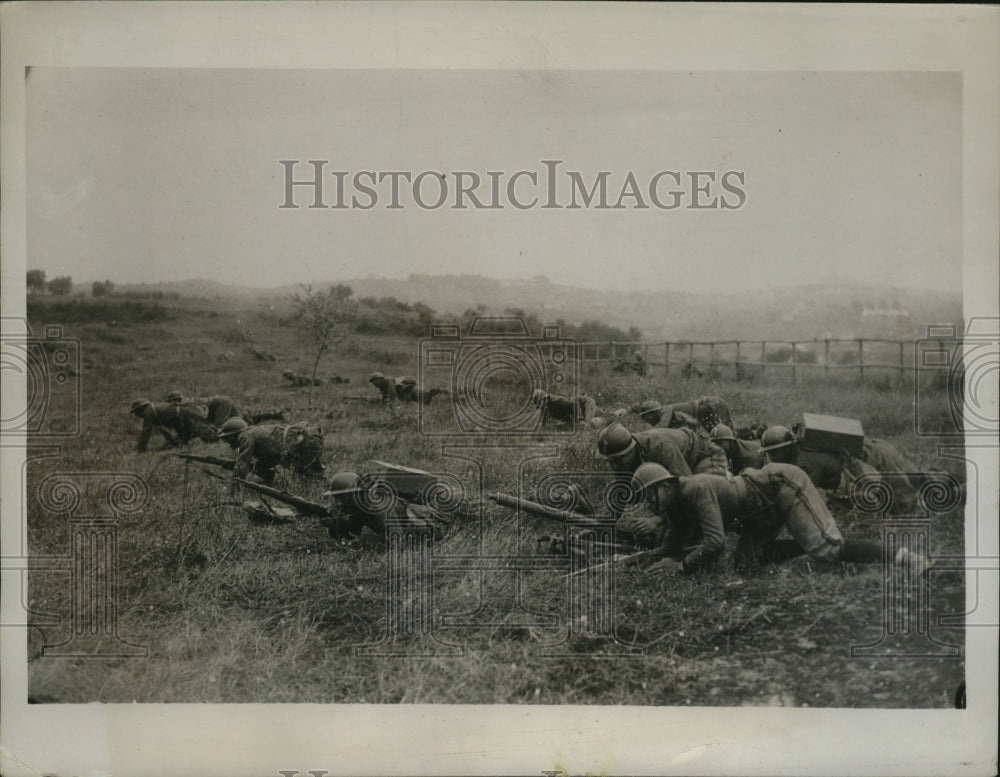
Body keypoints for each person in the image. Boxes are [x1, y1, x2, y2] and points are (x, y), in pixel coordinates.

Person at [629, 462, 931, 575]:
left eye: (650, 495)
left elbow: (716, 543)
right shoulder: (674, 505)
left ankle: (905, 557)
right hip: (760, 512)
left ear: (666, 485)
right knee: (746, 566)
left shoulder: (695, 488)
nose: (650, 504)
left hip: (781, 486)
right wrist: (636, 562)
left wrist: (682, 567)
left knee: (829, 551)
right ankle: (804, 543)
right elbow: (669, 547)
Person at [321, 469, 455, 541]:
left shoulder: (379, 507)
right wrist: (334, 525)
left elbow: (397, 542)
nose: (339, 504)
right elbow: (352, 530)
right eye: (336, 498)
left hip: (431, 528)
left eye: (342, 498)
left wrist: (367, 542)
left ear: (356, 494)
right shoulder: (361, 506)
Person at [218, 418, 325, 485]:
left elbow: (242, 463)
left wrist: (235, 487)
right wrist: (258, 469)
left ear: (233, 434)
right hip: (309, 438)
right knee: (313, 481)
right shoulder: (255, 431)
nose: (227, 442)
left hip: (303, 445)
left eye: (227, 438)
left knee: (313, 482)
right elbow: (273, 457)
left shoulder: (244, 435)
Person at [130, 398, 216, 452]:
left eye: (136, 411)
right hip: (179, 417)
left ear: (141, 408)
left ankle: (215, 438)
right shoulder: (152, 409)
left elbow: (146, 432)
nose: (136, 415)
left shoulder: (148, 412)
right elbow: (165, 431)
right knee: (191, 433)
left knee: (201, 430)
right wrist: (173, 442)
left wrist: (140, 449)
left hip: (181, 415)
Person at [531, 389, 597, 427]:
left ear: (544, 399)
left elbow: (574, 405)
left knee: (586, 426)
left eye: (539, 403)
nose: (539, 407)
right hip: (580, 410)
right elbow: (543, 425)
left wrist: (579, 419)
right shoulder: (545, 407)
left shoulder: (556, 400)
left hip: (586, 403)